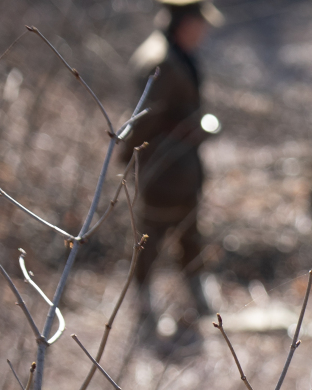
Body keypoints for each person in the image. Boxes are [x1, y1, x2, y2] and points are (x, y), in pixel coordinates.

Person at [125, 0, 222, 337]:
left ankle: (199, 300)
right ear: (185, 23)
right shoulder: (161, 62)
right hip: (163, 167)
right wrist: (128, 157)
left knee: (189, 232)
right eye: (200, 24)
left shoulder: (177, 54)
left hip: (183, 166)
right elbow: (143, 120)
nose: (204, 32)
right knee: (150, 238)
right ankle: (144, 306)